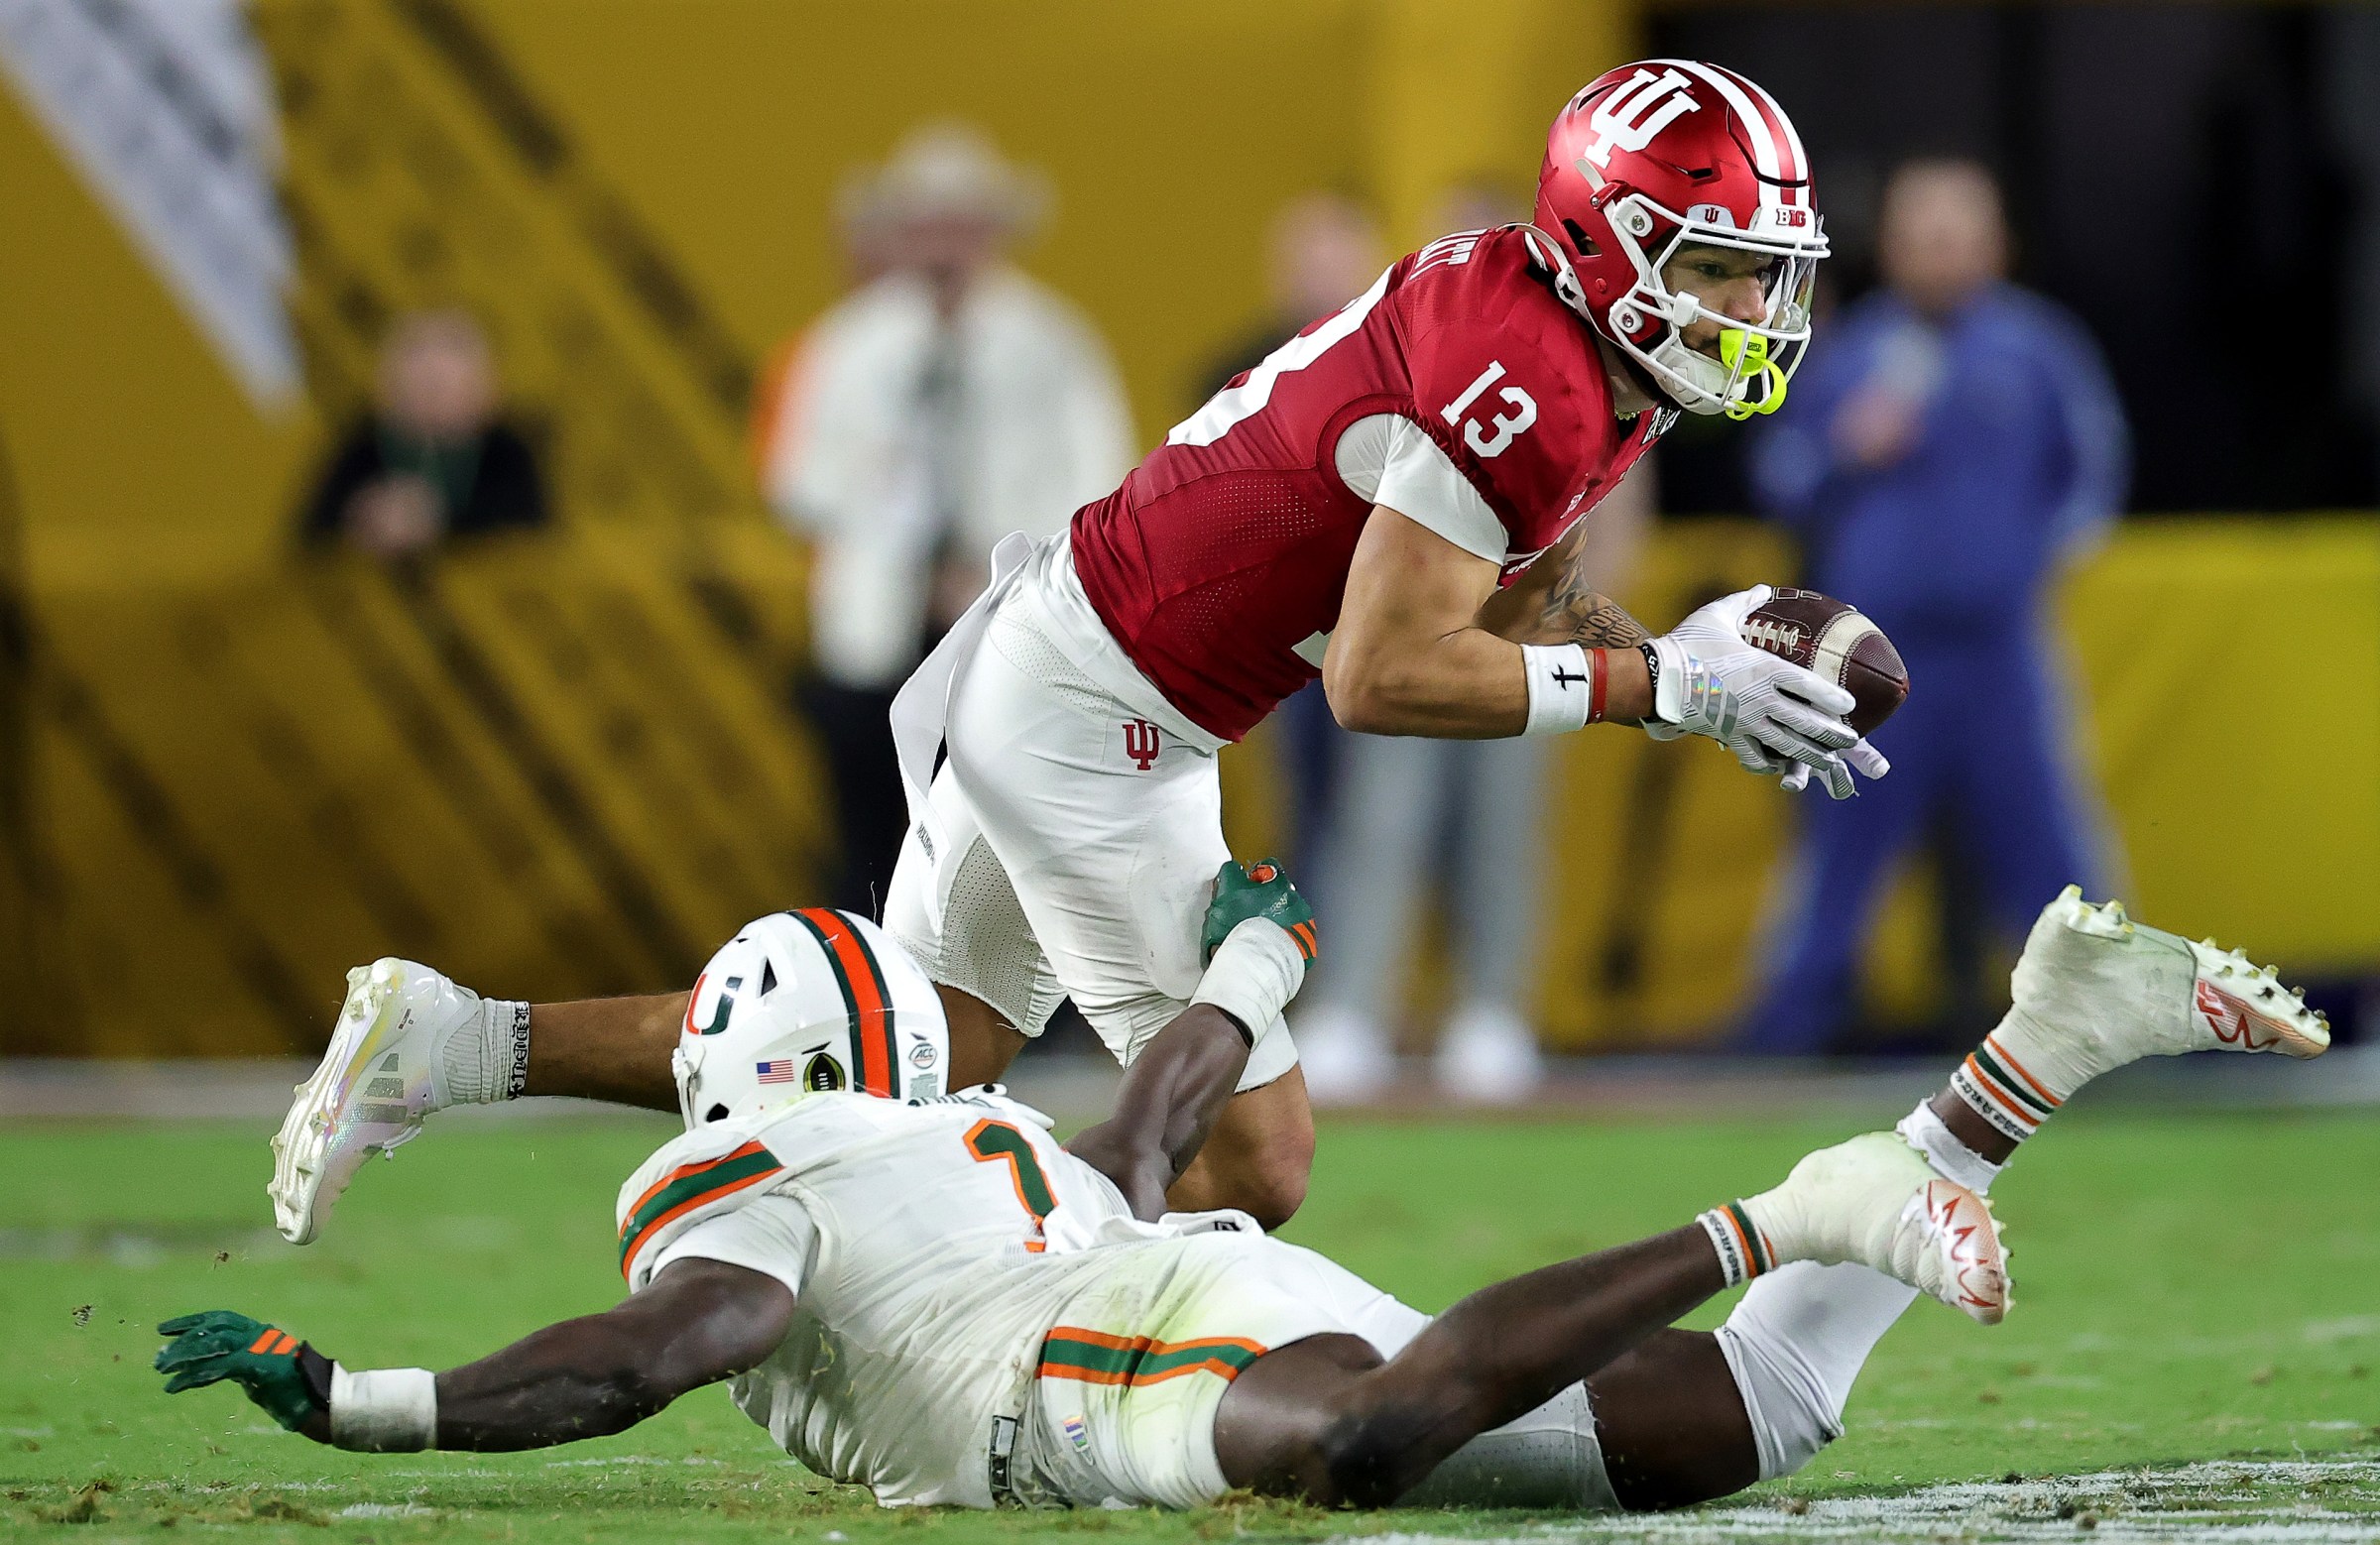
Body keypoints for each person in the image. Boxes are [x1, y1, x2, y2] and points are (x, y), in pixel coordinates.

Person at [271, 61, 1885, 1242]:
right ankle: (1065, 1364)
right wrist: (1664, 683)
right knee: (1256, 1161)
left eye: (1766, 267)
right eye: (1722, 261)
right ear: (1612, 242)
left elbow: (1510, 602)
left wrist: (1675, 667)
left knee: (921, 1054)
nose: (1754, 303)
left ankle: (456, 1040)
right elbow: (1381, 677)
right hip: (1104, 709)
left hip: (1071, 654)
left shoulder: (1564, 351)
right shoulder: (1526, 380)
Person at [189, 876, 2323, 1511]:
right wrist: (1246, 959)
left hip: (1090, 1361)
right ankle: (2034, 1051)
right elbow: (1152, 1114)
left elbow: (689, 1340)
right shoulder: (970, 1132)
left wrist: (369, 1391)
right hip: (1176, 1260)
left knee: (1359, 1444)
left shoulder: (734, 1161)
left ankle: (1802, 1209)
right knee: (1724, 1426)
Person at [1740, 160, 2128, 1054]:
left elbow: (2093, 474)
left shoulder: (2038, 350)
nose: (1941, 252)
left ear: (1997, 246)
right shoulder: (1846, 351)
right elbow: (1780, 476)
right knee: (1836, 843)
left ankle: (2102, 1024)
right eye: (1923, 235)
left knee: (2048, 843)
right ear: (1894, 247)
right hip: (1871, 657)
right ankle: (1786, 1027)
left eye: (1958, 234)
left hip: (1999, 648)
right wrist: (1845, 450)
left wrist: (2035, 552)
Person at [1294, 180, 1653, 1104]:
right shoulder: (1405, 347)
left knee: (1504, 829)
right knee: (1379, 819)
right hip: (1412, 624)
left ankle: (1493, 1009)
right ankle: (1355, 1008)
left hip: (1518, 630)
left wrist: (1567, 615)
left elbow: (1617, 505)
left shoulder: (1583, 361)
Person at [755, 124, 1135, 914]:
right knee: (871, 832)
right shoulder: (849, 345)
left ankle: (1024, 1023)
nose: (944, 243)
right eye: (927, 223)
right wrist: (881, 505)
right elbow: (797, 481)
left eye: (961, 223)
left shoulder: (1053, 345)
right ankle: (869, 1001)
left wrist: (999, 560)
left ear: (993, 232)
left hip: (1011, 627)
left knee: (1016, 836)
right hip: (873, 630)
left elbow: (1100, 483)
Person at [1195, 191, 1389, 873]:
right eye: (1308, 258)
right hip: (1287, 629)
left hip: (1389, 619)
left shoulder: (1407, 365)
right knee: (1306, 801)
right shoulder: (1239, 373)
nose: (1321, 274)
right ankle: (1304, 948)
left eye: (1336, 256)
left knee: (1390, 807)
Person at [298, 309, 547, 558]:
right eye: (419, 385)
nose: (430, 401)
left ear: (484, 391)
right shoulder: (362, 449)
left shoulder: (507, 453)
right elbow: (310, 539)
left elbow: (531, 538)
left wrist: (437, 522)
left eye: (442, 386)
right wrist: (363, 519)